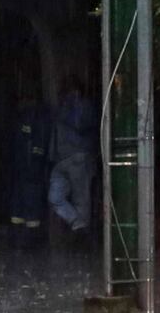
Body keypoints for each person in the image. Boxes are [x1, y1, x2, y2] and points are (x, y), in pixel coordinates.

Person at [49, 77, 97, 233]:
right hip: (62, 158)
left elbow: (80, 124)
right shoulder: (63, 107)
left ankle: (81, 231)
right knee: (56, 198)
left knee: (80, 199)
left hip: (77, 156)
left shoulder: (81, 106)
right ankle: (78, 224)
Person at [9, 86, 52, 247]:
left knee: (30, 203)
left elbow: (37, 143)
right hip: (24, 167)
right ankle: (22, 237)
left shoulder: (34, 116)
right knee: (22, 203)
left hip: (30, 167)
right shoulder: (24, 116)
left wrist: (34, 164)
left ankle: (29, 238)